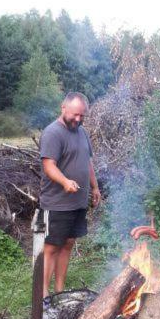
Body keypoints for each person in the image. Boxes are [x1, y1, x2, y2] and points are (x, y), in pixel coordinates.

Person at [39, 92, 101, 302]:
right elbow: (49, 165)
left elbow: (88, 161)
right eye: (75, 115)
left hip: (78, 202)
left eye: (82, 116)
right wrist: (65, 181)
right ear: (63, 108)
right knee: (51, 247)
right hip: (57, 203)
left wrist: (95, 187)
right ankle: (44, 295)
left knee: (68, 244)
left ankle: (60, 291)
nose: (78, 119)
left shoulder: (81, 132)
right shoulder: (53, 133)